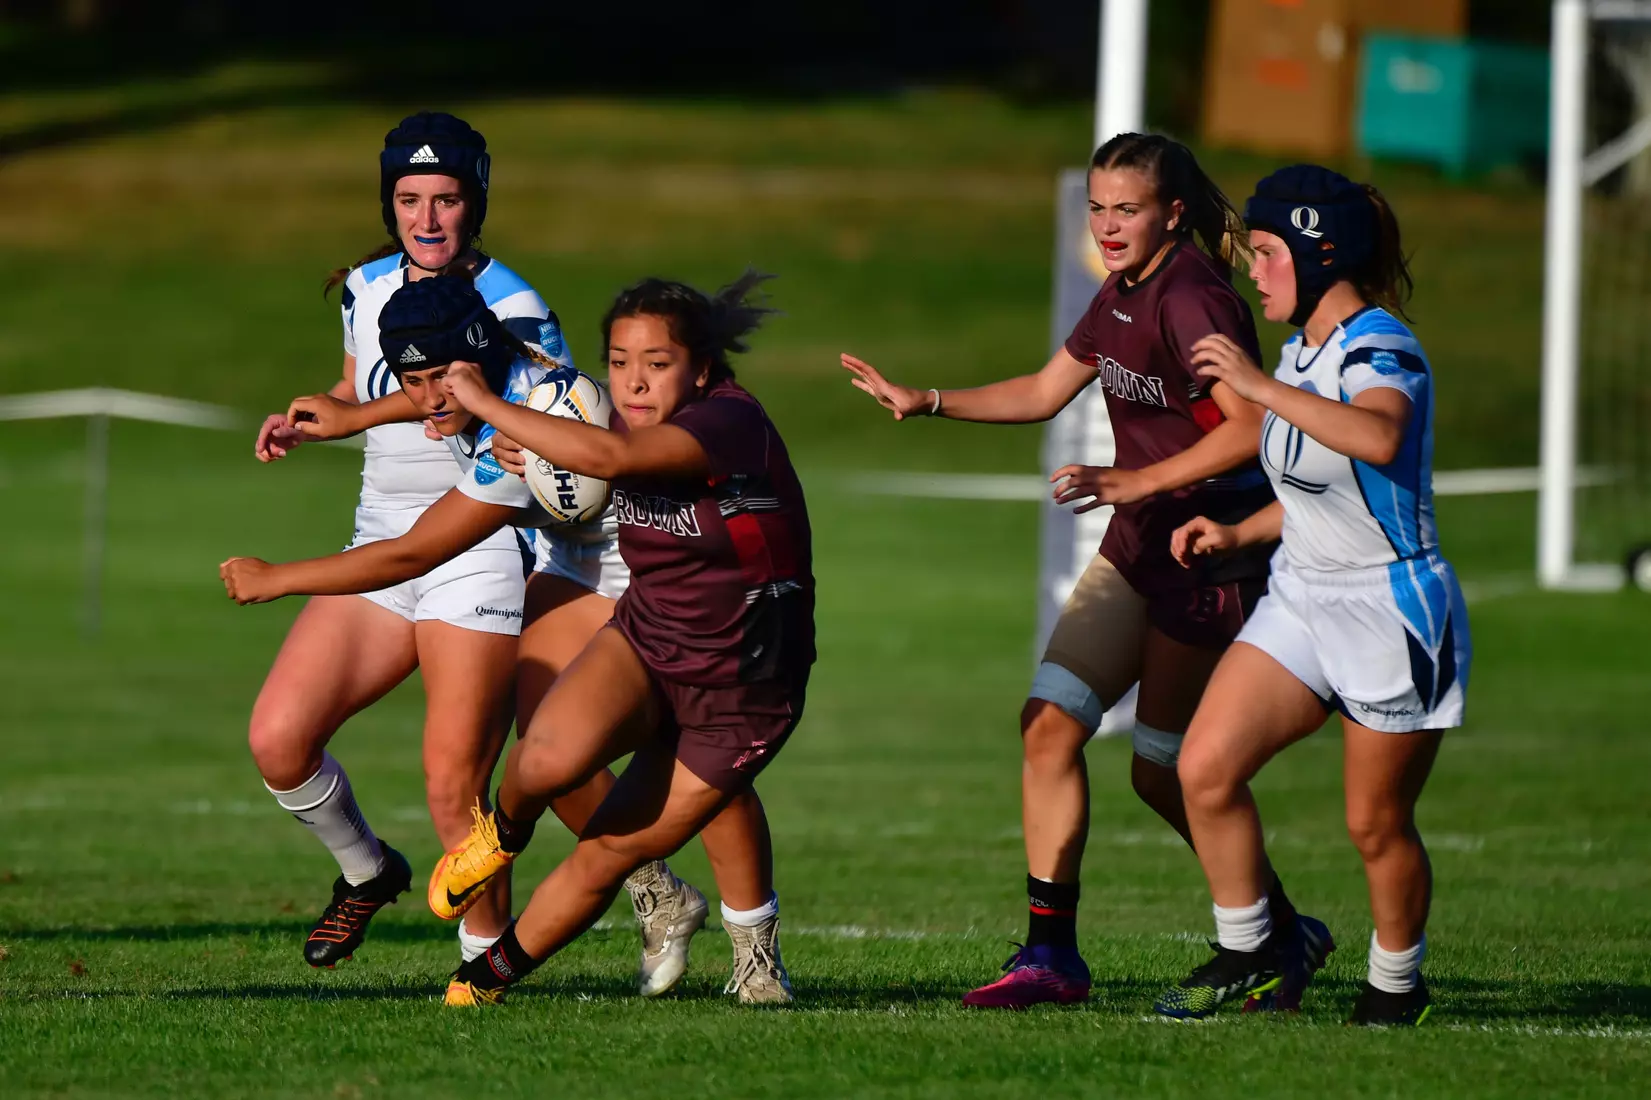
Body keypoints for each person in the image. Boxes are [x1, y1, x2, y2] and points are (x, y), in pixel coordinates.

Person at [840, 133, 1329, 1009]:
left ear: (1170, 213)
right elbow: (1039, 390)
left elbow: (1247, 426)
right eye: (1096, 208)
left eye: (1125, 209)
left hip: (1203, 554)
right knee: (1047, 725)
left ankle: (1276, 931)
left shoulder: (1192, 299)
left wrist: (1139, 478)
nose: (1106, 225)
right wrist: (927, 401)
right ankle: (1050, 956)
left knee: (1163, 773)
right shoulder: (1120, 292)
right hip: (1137, 546)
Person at [229, 274, 794, 1002]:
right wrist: (352, 416)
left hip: (645, 564)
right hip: (572, 563)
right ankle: (653, 887)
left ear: (476, 361)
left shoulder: (517, 422)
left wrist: (279, 578)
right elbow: (436, 389)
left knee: (696, 750)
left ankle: (755, 948)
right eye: (412, 378)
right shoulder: (476, 375)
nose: (428, 397)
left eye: (442, 378)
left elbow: (415, 551)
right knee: (546, 754)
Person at [245, 112, 705, 985]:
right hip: (381, 536)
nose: (426, 218)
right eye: (408, 198)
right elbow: (377, 385)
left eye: (447, 199)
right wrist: (326, 416)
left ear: (476, 201)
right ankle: (367, 871)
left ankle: (480, 967)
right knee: (278, 738)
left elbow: (567, 429)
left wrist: (539, 465)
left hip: (484, 545)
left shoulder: (518, 307)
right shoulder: (368, 286)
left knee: (459, 774)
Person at [410, 272, 812, 1008]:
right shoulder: (610, 413)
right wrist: (517, 448)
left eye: (656, 364)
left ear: (701, 368)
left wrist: (491, 408)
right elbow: (570, 455)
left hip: (743, 684)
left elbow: (611, 463)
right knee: (546, 757)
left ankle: (487, 980)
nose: (631, 381)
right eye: (619, 361)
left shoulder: (727, 424)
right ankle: (500, 834)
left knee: (612, 852)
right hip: (648, 639)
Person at [1154, 165, 1469, 1027]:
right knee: (1203, 770)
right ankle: (1254, 952)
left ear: (1314, 252)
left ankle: (1395, 989)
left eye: (1264, 254)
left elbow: (1375, 434)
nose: (1252, 273)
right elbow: (1310, 491)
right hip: (1302, 597)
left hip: (1388, 610)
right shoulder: (1301, 353)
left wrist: (1256, 390)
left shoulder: (1379, 346)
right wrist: (1236, 533)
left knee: (1374, 826)